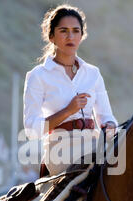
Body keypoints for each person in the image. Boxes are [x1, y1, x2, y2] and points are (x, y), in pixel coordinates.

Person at [23, 4, 118, 177]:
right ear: (51, 36)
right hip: (60, 150)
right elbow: (31, 130)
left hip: (94, 144)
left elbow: (106, 116)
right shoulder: (38, 76)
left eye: (75, 31)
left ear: (82, 35)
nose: (70, 36)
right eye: (63, 31)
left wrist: (110, 126)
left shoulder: (93, 73)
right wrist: (68, 111)